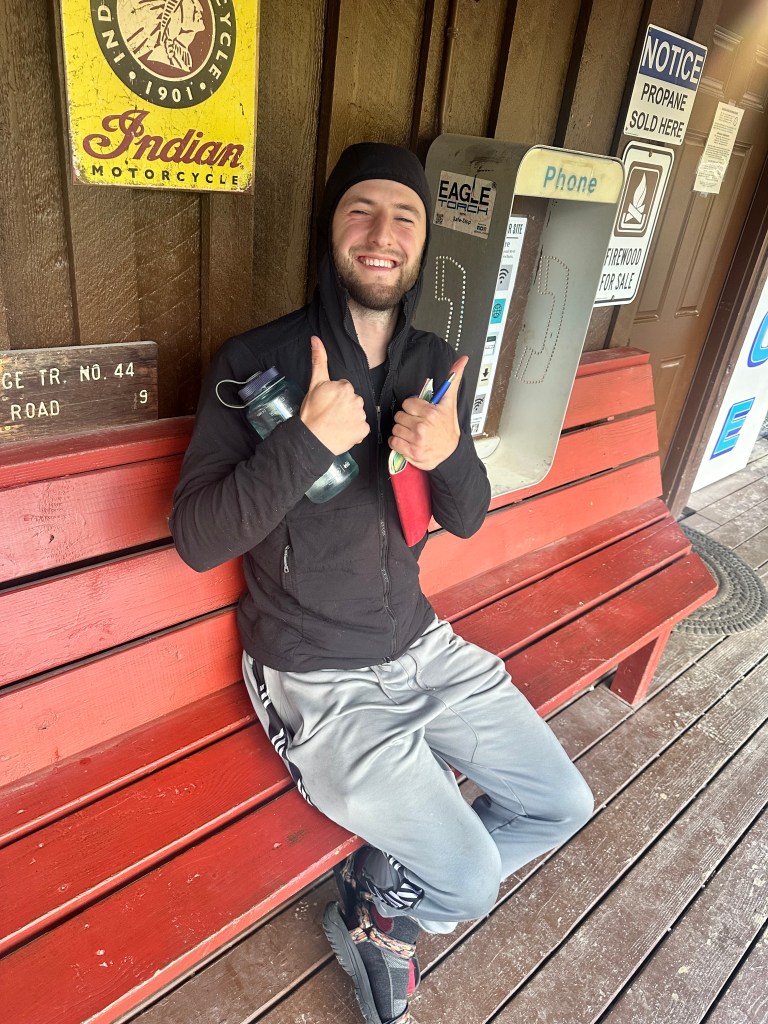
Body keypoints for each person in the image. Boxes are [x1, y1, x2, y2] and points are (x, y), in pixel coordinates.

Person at [170, 143, 593, 1024]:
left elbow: (466, 516)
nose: (381, 233)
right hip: (315, 672)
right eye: (360, 209)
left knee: (563, 805)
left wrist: (451, 454)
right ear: (330, 229)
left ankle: (385, 891)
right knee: (471, 881)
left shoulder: (434, 362)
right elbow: (199, 541)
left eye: (404, 216)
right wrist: (303, 442)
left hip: (423, 645)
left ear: (424, 241)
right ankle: (386, 910)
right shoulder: (254, 362)